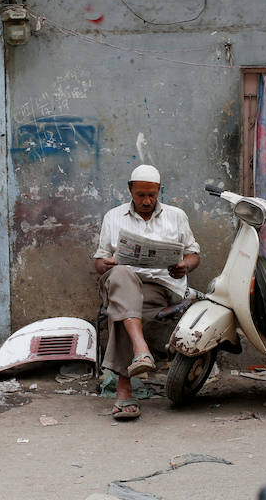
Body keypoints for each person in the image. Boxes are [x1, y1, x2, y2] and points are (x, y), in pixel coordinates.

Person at [93, 165, 200, 420]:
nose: (147, 201)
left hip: (160, 287)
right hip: (123, 282)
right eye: (141, 195)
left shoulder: (176, 216)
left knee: (122, 309)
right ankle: (141, 350)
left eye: (152, 195)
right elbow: (99, 261)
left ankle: (124, 389)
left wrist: (185, 265)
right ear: (130, 189)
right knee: (120, 275)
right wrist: (104, 264)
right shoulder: (114, 217)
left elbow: (194, 253)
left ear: (159, 190)